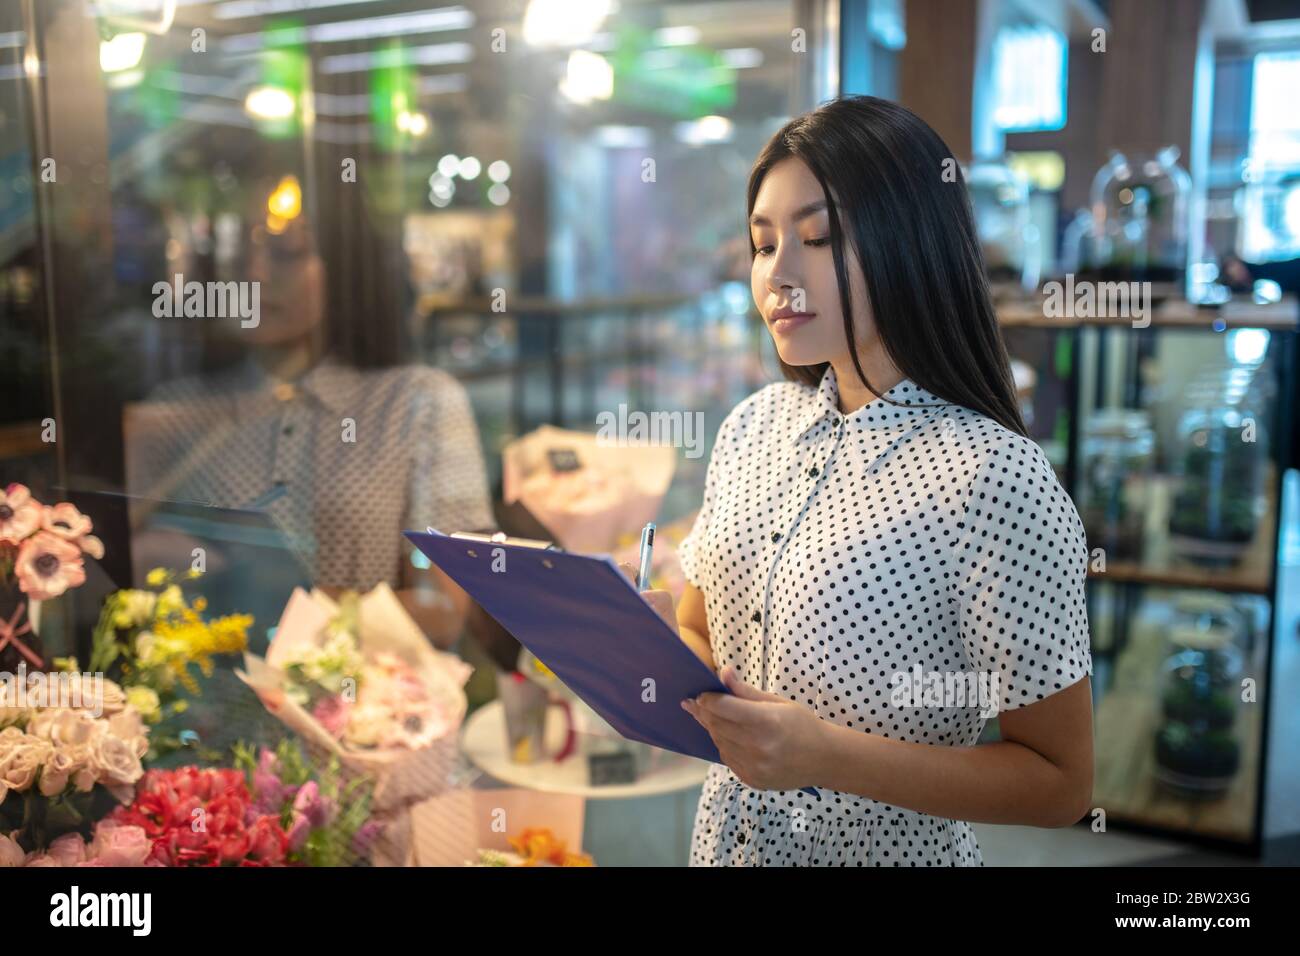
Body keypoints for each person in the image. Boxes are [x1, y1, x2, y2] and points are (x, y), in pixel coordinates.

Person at [661, 96, 1094, 866]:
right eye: (762, 245)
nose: (778, 274)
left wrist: (821, 755)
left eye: (817, 237)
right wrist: (619, 636)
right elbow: (699, 630)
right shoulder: (753, 427)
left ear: (909, 242)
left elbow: (1060, 782)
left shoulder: (992, 477)